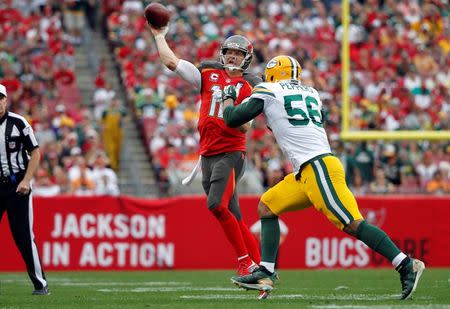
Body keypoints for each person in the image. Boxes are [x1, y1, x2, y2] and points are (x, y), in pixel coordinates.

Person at [221, 56, 425, 300]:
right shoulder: (312, 92)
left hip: (318, 167)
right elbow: (319, 116)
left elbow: (232, 119)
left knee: (352, 223)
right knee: (267, 205)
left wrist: (228, 96)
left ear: (274, 74)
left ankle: (405, 264)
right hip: (306, 171)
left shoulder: (268, 89)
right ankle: (266, 271)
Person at [148, 24, 261, 275]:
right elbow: (171, 62)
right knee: (235, 216)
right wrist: (159, 36)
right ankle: (263, 269)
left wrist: (231, 104)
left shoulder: (251, 84)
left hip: (231, 154)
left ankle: (245, 262)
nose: (232, 57)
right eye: (229, 52)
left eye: (238, 54)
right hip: (208, 153)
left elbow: (245, 128)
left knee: (216, 205)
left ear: (247, 59)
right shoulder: (209, 72)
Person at [0, 84, 49, 295]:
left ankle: (40, 283)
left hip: (17, 184)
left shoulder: (18, 122)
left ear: (5, 100)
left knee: (23, 236)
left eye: (0, 98)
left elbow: (35, 152)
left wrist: (26, 180)